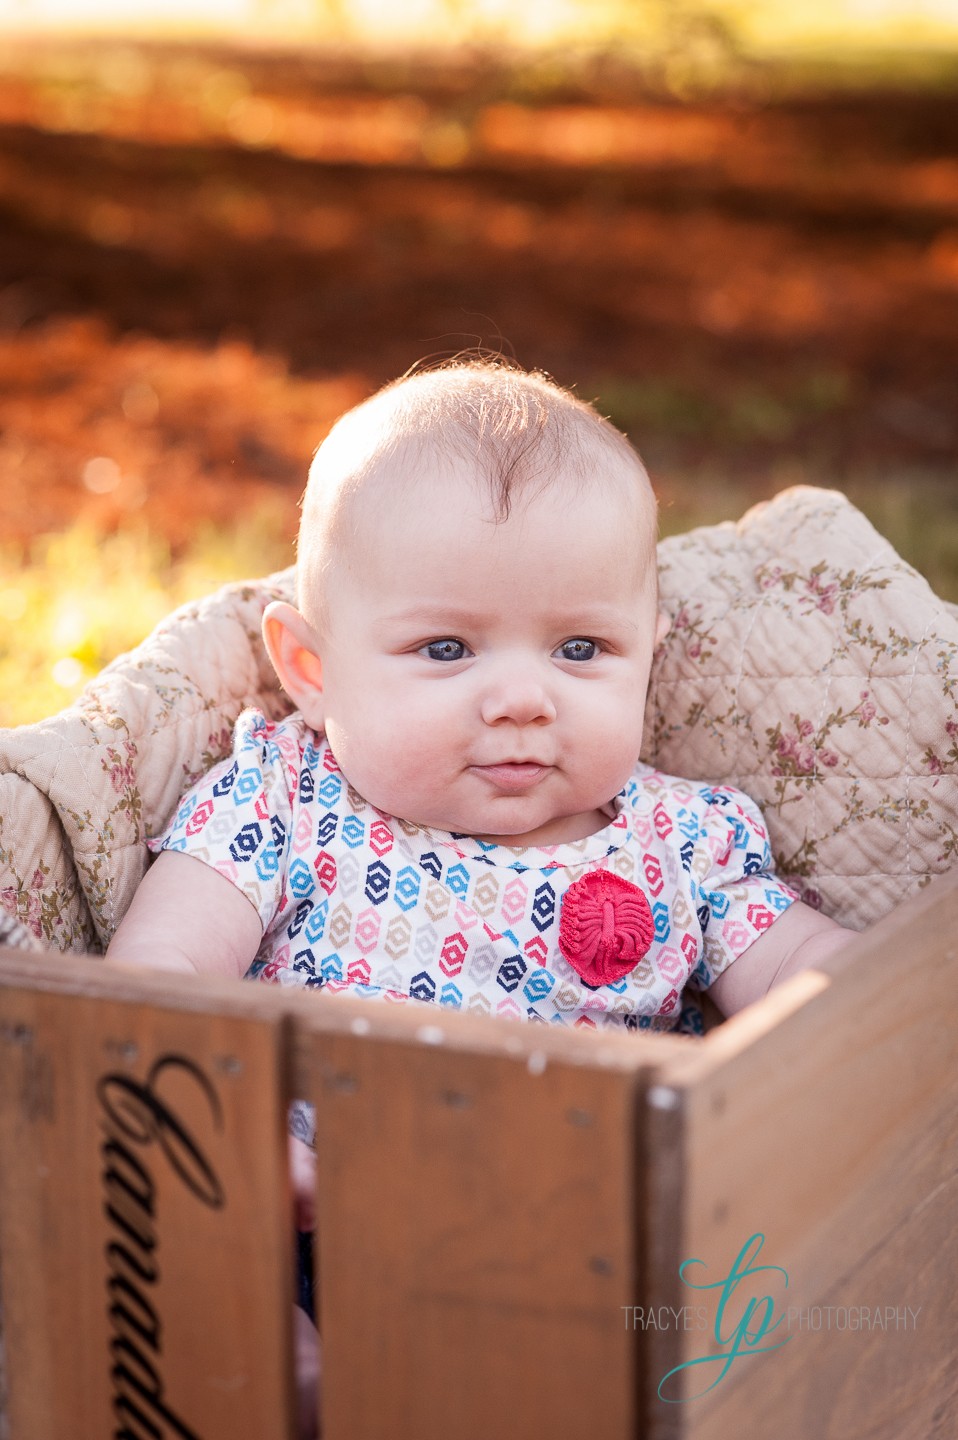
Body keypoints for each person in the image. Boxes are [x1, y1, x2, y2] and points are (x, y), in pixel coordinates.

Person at [106, 359, 853, 1433]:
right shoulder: (284, 800)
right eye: (446, 648)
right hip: (316, 1215)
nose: (518, 699)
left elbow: (806, 970)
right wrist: (234, 1140)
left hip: (587, 1242)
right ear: (311, 668)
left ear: (649, 654)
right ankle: (293, 1372)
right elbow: (158, 975)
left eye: (581, 648)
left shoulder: (679, 841)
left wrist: (888, 1005)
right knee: (175, 1224)